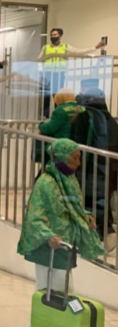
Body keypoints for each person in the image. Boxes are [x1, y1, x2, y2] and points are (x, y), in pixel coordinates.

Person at [18, 139, 105, 292]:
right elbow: (33, 217)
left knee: (63, 290)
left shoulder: (69, 181)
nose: (78, 163)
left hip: (65, 244)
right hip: (49, 247)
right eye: (75, 158)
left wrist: (85, 216)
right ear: (62, 157)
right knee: (52, 292)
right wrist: (48, 236)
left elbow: (70, 207)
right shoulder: (45, 184)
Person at [69, 88, 118, 252]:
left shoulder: (86, 117)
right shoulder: (110, 119)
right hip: (109, 170)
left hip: (91, 169)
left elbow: (78, 141)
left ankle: (96, 238)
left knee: (86, 201)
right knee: (101, 201)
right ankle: (106, 233)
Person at [37, 28, 107, 117]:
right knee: (46, 96)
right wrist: (40, 73)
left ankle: (58, 114)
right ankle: (45, 116)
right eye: (51, 35)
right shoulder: (45, 47)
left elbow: (78, 51)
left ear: (60, 36)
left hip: (59, 74)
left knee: (58, 96)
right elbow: (39, 60)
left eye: (55, 35)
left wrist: (95, 47)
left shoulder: (65, 47)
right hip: (47, 74)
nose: (52, 36)